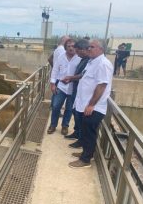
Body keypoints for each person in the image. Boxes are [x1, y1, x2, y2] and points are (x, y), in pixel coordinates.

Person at [68, 40, 113, 168]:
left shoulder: (103, 64)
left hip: (94, 106)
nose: (88, 49)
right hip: (85, 104)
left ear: (101, 49)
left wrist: (91, 104)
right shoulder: (92, 62)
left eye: (91, 47)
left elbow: (102, 85)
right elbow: (84, 77)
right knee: (86, 130)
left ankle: (85, 160)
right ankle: (87, 153)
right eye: (88, 47)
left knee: (89, 132)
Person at [47, 39, 81, 135]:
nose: (71, 48)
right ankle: (53, 125)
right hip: (61, 87)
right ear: (65, 47)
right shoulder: (61, 57)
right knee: (56, 106)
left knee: (69, 108)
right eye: (69, 46)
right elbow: (55, 70)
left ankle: (65, 126)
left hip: (73, 88)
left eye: (73, 46)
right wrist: (53, 84)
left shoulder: (79, 58)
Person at [61, 39, 90, 149]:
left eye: (77, 51)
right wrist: (72, 79)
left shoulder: (88, 61)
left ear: (83, 50)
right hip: (77, 90)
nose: (76, 53)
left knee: (79, 115)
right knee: (75, 112)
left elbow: (83, 75)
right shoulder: (84, 59)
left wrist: (71, 78)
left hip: (81, 92)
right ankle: (77, 133)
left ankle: (80, 139)